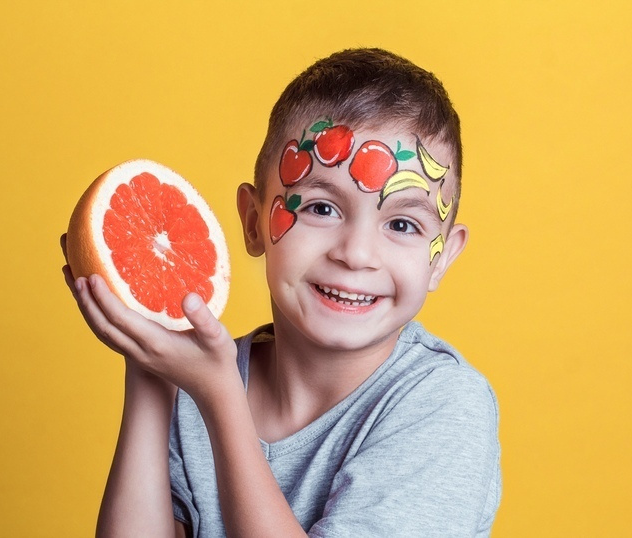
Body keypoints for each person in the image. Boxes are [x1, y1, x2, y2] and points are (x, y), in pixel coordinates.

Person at [61, 47, 501, 537]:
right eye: (319, 208)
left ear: (440, 258)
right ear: (253, 222)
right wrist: (150, 369)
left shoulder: (442, 404)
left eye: (401, 223)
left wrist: (219, 396)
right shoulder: (197, 378)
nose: (356, 254)